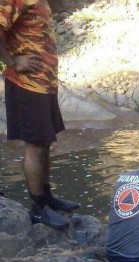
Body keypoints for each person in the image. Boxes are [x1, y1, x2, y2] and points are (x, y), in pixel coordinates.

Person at [0, 0, 79, 229]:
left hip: (44, 84)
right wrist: (13, 61)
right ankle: (38, 209)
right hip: (26, 84)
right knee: (35, 144)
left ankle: (47, 198)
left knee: (44, 142)